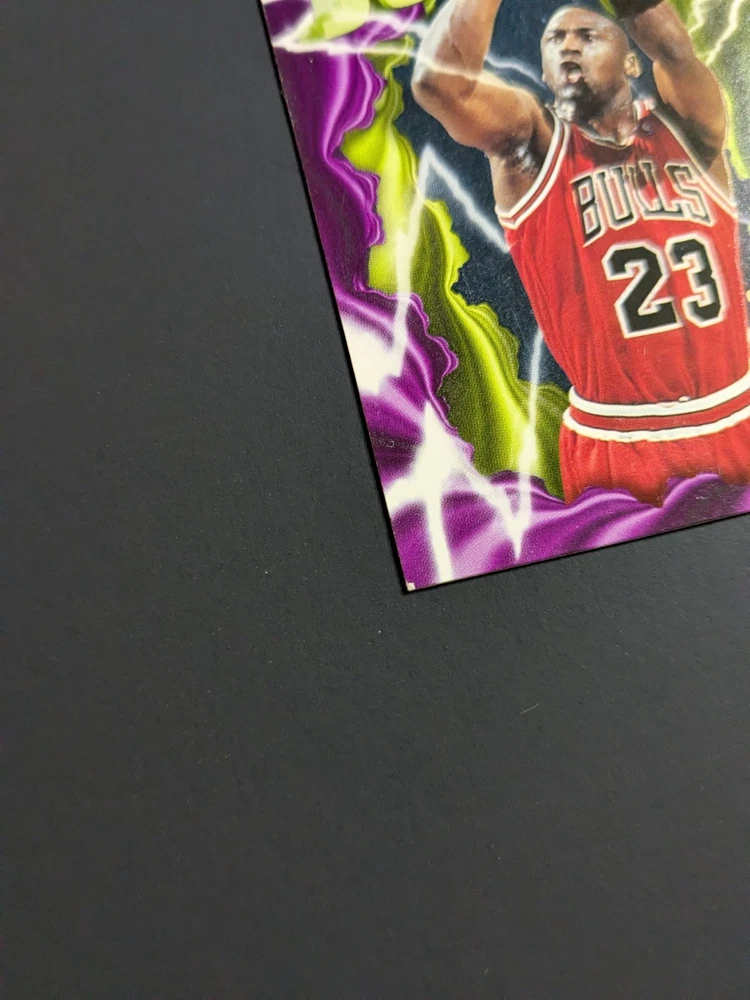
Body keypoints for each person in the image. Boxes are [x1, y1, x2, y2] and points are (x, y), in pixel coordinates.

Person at [412, 0, 750, 505]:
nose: (568, 45)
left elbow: (676, 51)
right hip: (621, 440)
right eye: (554, 39)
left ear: (631, 61)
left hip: (739, 410)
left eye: (587, 35)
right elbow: (439, 85)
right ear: (545, 71)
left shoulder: (690, 130)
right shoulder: (533, 148)